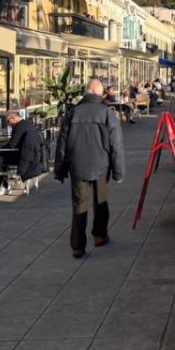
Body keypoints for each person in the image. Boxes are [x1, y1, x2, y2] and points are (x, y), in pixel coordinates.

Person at [55, 79, 125, 259]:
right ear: (102, 94)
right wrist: (118, 172)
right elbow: (116, 145)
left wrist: (60, 171)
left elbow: (62, 144)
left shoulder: (73, 113)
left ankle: (78, 246)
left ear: (86, 93)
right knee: (101, 201)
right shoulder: (107, 113)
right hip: (101, 166)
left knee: (79, 205)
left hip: (78, 166)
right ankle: (99, 235)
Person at [6, 111, 43, 184]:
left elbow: (12, 145)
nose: (8, 124)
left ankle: (3, 185)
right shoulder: (28, 123)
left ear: (13, 118)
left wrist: (1, 146)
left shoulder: (19, 126)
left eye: (8, 121)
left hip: (21, 158)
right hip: (30, 156)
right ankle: (4, 183)